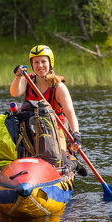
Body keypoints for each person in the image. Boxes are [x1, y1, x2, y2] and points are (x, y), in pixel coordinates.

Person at [9, 44, 87, 175]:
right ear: (32, 64)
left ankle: (71, 161)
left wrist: (76, 134)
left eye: (43, 62)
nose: (40, 66)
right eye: (36, 62)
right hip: (31, 128)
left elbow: (70, 112)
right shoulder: (27, 80)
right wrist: (17, 76)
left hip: (56, 129)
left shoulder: (58, 86)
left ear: (50, 63)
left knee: (56, 157)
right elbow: (15, 92)